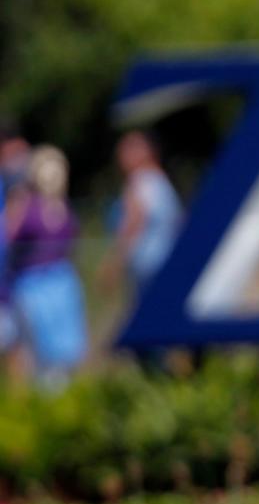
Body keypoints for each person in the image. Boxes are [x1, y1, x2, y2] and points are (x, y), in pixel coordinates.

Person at [6, 145, 87, 388]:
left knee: (62, 355)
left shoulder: (61, 206)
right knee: (39, 355)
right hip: (34, 287)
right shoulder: (25, 204)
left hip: (59, 285)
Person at [100, 131, 183, 290]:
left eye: (126, 150)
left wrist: (114, 263)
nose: (120, 157)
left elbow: (132, 224)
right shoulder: (162, 181)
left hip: (146, 265)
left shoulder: (138, 183)